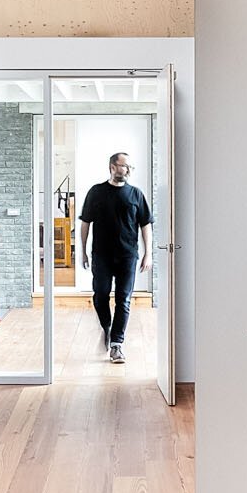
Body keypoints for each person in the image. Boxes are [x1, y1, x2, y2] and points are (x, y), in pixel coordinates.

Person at [77, 151, 153, 363]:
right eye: (124, 165)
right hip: (101, 255)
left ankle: (117, 344)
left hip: (128, 256)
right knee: (100, 295)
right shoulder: (96, 192)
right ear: (112, 167)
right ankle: (106, 326)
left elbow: (145, 224)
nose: (127, 169)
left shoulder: (136, 194)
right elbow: (85, 223)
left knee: (123, 300)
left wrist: (149, 253)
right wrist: (82, 251)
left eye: (130, 166)